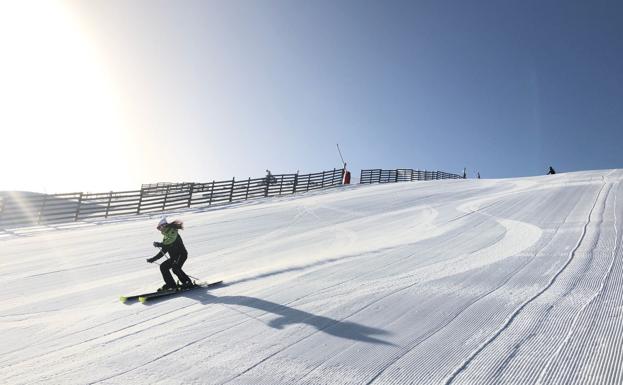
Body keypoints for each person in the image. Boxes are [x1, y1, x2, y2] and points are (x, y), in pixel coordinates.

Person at [147, 217, 193, 291]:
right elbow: (164, 250)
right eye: (158, 228)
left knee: (175, 268)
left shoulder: (172, 232)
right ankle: (171, 285)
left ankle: (187, 282)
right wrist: (153, 259)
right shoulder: (166, 236)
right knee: (163, 267)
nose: (160, 230)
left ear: (164, 226)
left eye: (160, 228)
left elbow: (170, 241)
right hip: (174, 257)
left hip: (181, 255)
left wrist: (160, 244)